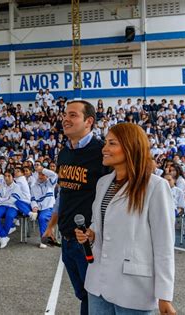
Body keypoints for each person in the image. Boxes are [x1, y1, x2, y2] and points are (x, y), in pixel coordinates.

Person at [75, 123, 176, 315]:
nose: (104, 149)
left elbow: (164, 245)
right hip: (98, 283)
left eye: (112, 143)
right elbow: (99, 223)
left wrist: (164, 296)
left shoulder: (155, 186)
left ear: (131, 146)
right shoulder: (103, 183)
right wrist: (91, 234)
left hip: (133, 288)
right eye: (105, 143)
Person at [43, 100, 108, 315]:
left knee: (94, 295)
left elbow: (111, 197)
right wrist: (51, 226)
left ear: (88, 121)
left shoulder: (102, 152)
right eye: (65, 115)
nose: (65, 119)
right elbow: (64, 193)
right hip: (67, 238)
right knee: (82, 294)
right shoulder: (64, 153)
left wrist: (97, 231)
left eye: (73, 115)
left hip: (89, 240)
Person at [0, 169, 21, 249]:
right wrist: (6, 198)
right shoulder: (2, 186)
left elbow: (12, 200)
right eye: (5, 176)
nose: (6, 178)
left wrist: (3, 199)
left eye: (9, 176)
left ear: (13, 177)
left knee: (10, 216)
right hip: (3, 205)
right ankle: (4, 237)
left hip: (13, 206)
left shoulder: (16, 187)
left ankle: (1, 238)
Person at [30, 165, 57, 248]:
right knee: (40, 217)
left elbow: (54, 175)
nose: (41, 176)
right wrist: (34, 206)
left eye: (43, 174)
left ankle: (44, 240)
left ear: (46, 175)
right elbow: (33, 199)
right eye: (40, 174)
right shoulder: (34, 187)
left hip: (50, 207)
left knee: (42, 218)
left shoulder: (50, 184)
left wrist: (42, 170)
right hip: (39, 209)